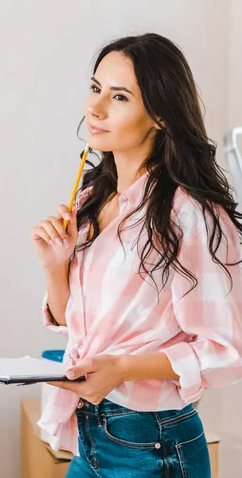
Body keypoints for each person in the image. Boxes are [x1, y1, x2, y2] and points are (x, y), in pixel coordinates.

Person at [30, 33, 242, 477]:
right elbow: (79, 325)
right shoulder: (92, 199)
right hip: (91, 436)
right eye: (95, 89)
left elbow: (227, 351)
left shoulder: (193, 215)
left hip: (153, 444)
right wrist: (56, 266)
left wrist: (122, 368)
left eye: (119, 96)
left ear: (161, 115)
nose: (96, 107)